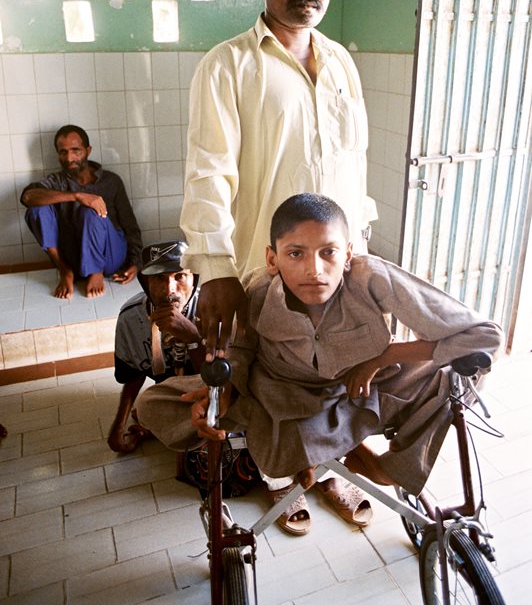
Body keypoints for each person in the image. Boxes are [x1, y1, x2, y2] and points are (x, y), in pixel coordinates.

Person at [136, 194, 503, 531]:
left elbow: (485, 335)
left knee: (459, 374)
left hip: (363, 387)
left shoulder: (371, 278)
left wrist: (384, 357)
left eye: (328, 252)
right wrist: (224, 390)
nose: (315, 270)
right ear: (271, 259)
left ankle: (377, 465)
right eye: (296, 254)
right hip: (284, 398)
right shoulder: (259, 290)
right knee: (153, 404)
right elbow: (242, 351)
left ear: (348, 254)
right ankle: (337, 450)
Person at [180, 0, 377, 354]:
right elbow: (208, 175)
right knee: (263, 405)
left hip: (338, 275)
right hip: (263, 279)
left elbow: (354, 165)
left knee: (336, 399)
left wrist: (360, 253)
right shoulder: (227, 66)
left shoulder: (341, 63)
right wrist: (216, 270)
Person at [21, 124, 142, 299]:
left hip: (110, 255)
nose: (69, 157)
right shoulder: (57, 181)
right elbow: (27, 197)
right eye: (63, 152)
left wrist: (136, 263)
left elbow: (130, 226)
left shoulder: (111, 181)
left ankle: (96, 271)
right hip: (74, 257)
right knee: (37, 209)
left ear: (88, 150)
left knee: (90, 211)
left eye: (75, 150)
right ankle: (65, 271)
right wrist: (77, 196)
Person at [107, 237, 202, 453]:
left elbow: (220, 382)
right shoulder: (131, 318)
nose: (170, 290)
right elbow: (134, 372)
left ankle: (156, 429)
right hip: (171, 393)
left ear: (194, 278)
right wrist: (117, 428)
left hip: (205, 391)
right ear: (144, 281)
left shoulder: (210, 310)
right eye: (159, 279)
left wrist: (193, 338)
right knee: (148, 407)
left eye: (179, 277)